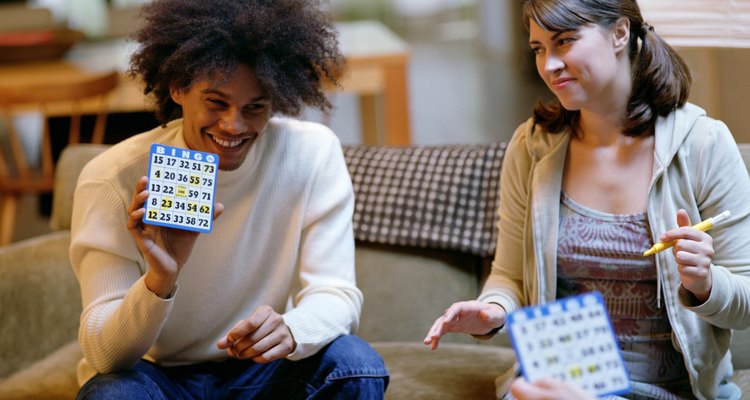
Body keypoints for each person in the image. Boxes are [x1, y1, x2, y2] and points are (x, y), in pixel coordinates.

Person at [424, 0, 750, 399]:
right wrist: (493, 311)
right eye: (539, 48)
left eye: (565, 41)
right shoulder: (532, 148)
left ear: (620, 33)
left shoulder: (703, 144)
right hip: (558, 384)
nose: (549, 65)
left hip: (671, 391)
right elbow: (508, 275)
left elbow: (747, 302)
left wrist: (703, 283)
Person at [69, 0, 389, 398]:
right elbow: (104, 357)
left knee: (354, 366)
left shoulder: (312, 154)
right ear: (178, 87)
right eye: (216, 103)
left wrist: (292, 329)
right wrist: (160, 280)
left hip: (261, 372)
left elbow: (336, 293)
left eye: (255, 107)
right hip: (157, 378)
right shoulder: (112, 178)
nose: (233, 126)